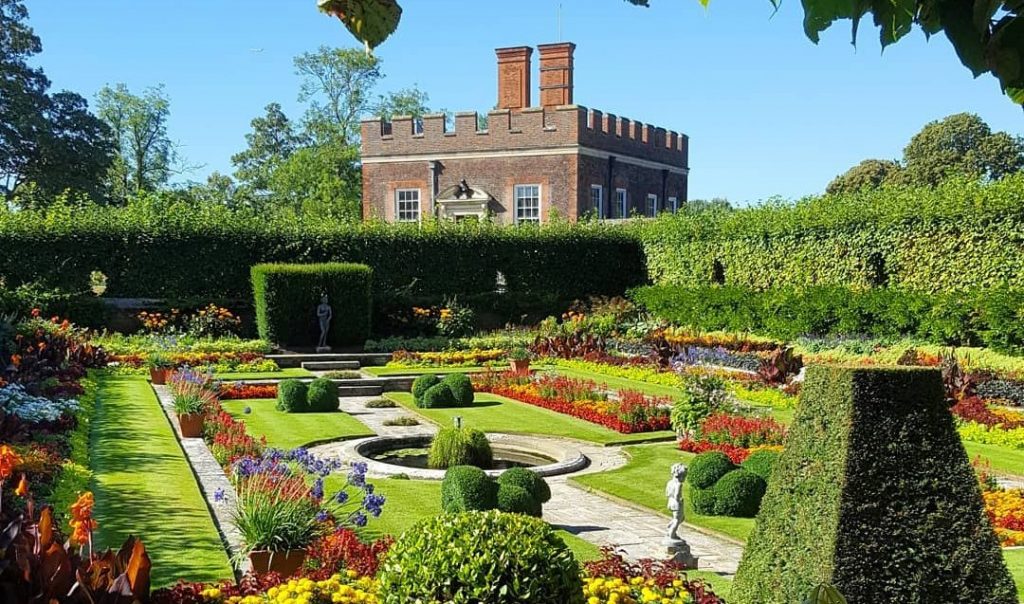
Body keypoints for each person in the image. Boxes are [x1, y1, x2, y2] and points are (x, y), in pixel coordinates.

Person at [665, 463, 687, 541]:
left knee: (681, 518)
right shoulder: (678, 484)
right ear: (680, 476)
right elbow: (677, 494)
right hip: (676, 504)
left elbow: (667, 493)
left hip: (670, 502)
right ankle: (671, 533)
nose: (684, 479)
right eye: (684, 476)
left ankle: (670, 526)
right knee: (677, 520)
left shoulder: (669, 483)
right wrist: (679, 500)